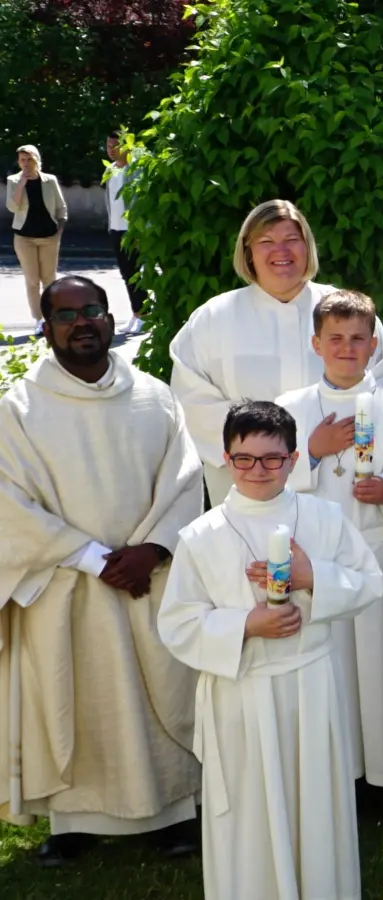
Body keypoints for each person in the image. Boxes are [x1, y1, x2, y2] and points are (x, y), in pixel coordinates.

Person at [0, 276, 202, 863]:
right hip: (66, 584)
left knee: (159, 689)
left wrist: (153, 550)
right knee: (74, 698)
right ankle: (73, 822)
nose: (81, 322)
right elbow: (9, 501)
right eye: (66, 315)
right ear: (46, 329)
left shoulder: (155, 396)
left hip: (149, 580)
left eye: (93, 309)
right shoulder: (18, 409)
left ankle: (172, 813)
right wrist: (93, 558)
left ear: (112, 319)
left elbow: (187, 480)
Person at [157, 401, 383, 900]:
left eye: (272, 458)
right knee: (251, 813)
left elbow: (370, 583)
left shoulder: (324, 517)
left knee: (314, 808)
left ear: (294, 458)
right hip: (242, 695)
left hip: (310, 686)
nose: (258, 470)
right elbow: (177, 623)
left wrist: (311, 577)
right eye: (245, 459)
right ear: (226, 457)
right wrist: (247, 624)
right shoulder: (201, 536)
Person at [275, 291, 383, 793]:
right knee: (334, 670)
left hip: (382, 551)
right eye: (335, 339)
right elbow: (262, 476)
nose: (346, 348)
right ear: (316, 343)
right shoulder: (291, 409)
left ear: (373, 346)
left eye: (357, 339)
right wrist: (311, 451)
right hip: (318, 564)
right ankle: (337, 771)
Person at [169, 199, 383, 505]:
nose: (281, 251)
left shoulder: (344, 311)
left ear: (308, 248)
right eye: (266, 242)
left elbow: (380, 396)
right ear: (248, 253)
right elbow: (192, 403)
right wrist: (281, 453)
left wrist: (328, 444)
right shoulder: (214, 318)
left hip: (340, 489)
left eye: (292, 240)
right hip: (251, 489)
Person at [7, 144, 68, 332]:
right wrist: (21, 185)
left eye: (29, 159)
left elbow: (61, 207)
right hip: (24, 238)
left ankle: (52, 317)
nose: (25, 163)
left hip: (49, 236)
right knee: (32, 279)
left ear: (36, 160)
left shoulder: (50, 180)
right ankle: (38, 320)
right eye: (22, 160)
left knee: (49, 278)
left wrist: (60, 229)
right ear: (18, 161)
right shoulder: (13, 180)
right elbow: (12, 207)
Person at [105, 130, 147, 334]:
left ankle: (144, 315)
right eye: (108, 147)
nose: (111, 151)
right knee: (126, 273)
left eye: (115, 146)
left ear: (126, 147)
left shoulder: (136, 170)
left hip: (132, 231)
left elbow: (141, 202)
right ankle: (137, 313)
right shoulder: (111, 169)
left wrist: (140, 231)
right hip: (116, 229)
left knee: (135, 274)